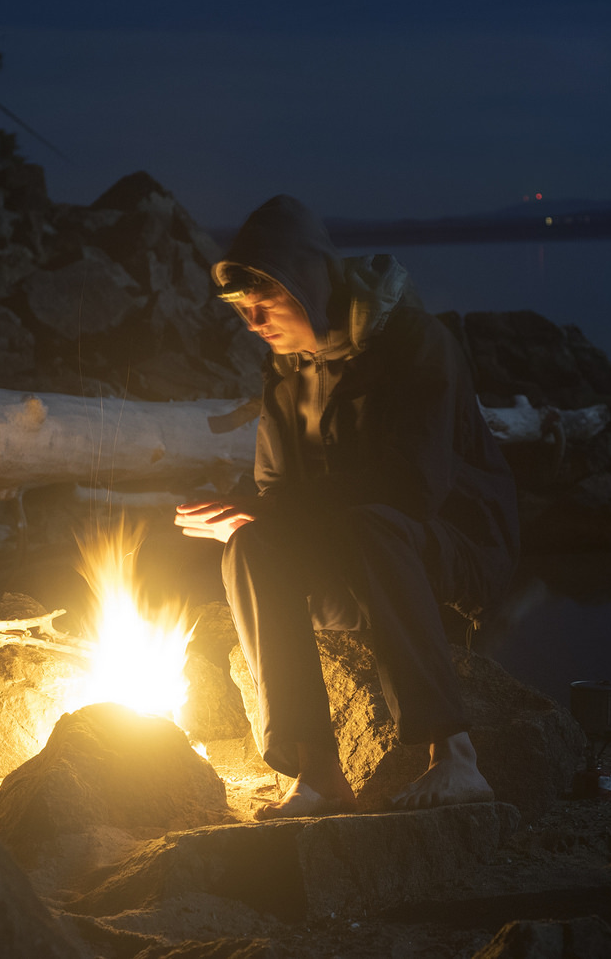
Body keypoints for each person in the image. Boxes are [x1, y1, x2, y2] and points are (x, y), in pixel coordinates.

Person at [174, 195, 519, 818]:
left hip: (451, 551)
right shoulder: (285, 372)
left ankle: (457, 759)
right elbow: (278, 495)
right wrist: (244, 512)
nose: (253, 324)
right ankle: (318, 773)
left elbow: (413, 488)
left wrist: (276, 511)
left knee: (372, 523)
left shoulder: (415, 344)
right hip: (355, 551)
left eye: (265, 305)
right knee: (251, 545)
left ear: (308, 283)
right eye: (243, 312)